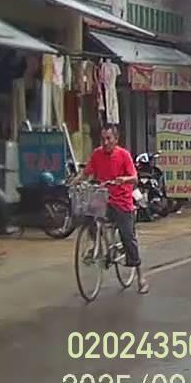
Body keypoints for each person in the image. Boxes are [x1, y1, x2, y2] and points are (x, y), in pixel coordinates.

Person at [75, 124, 147, 294]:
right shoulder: (97, 154)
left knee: (128, 236)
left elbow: (134, 178)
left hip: (121, 201)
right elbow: (86, 172)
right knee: (88, 215)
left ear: (116, 139)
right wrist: (75, 180)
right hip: (103, 199)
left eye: (109, 138)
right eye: (103, 139)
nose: (106, 142)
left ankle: (141, 277)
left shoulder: (124, 155)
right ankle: (96, 243)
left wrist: (124, 180)